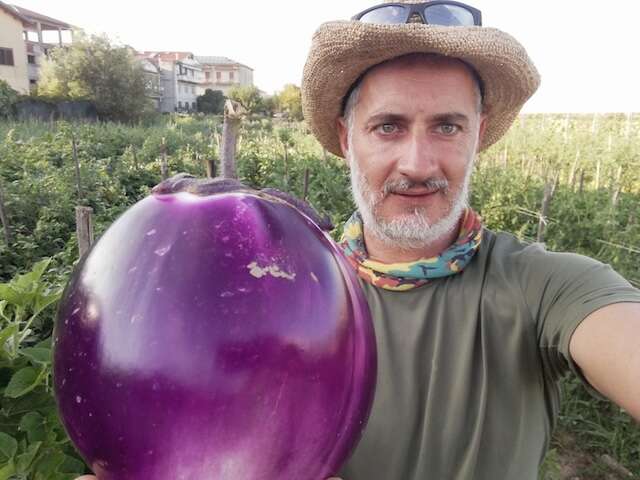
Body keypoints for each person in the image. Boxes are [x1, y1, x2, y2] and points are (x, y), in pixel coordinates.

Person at [75, 1, 640, 479]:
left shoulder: (547, 287)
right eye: (388, 126)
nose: (417, 164)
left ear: (479, 136)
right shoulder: (281, 293)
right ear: (347, 139)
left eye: (447, 126)